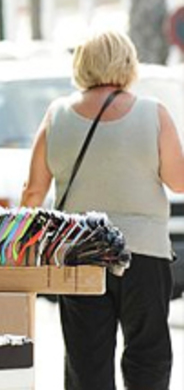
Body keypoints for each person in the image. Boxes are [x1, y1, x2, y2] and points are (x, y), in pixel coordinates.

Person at [21, 30, 177, 390]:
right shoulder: (154, 113)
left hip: (81, 254)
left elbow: (33, 192)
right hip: (145, 254)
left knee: (85, 360)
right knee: (148, 355)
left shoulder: (56, 115)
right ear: (128, 63)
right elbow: (178, 180)